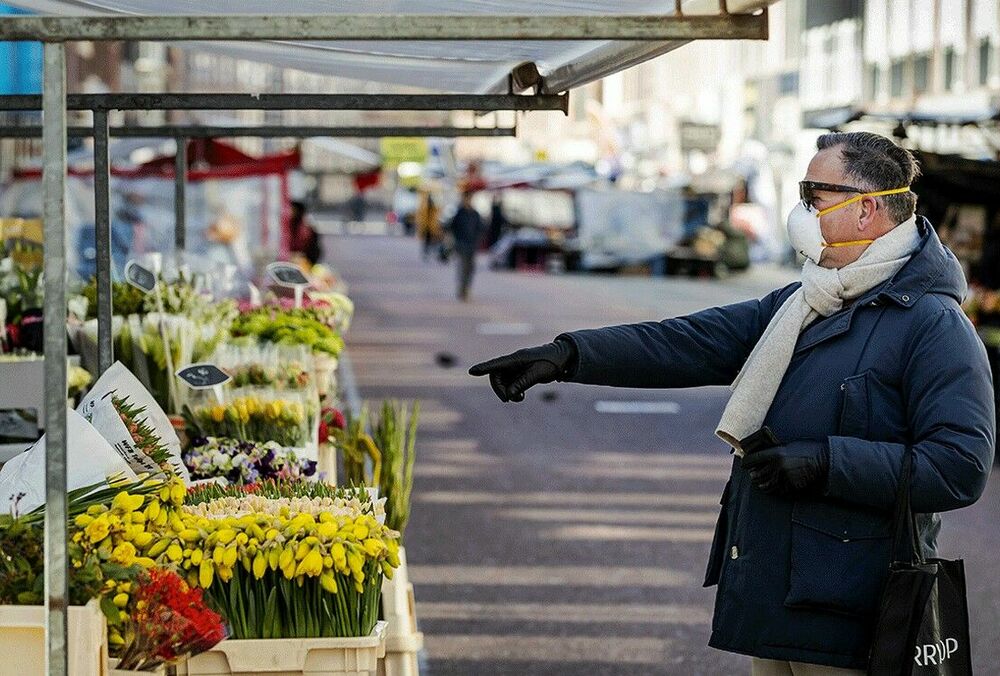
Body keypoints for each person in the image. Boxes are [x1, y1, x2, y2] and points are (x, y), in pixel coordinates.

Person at [469, 132, 995, 674]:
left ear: (865, 211)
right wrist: (568, 355)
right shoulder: (808, 299)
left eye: (813, 196)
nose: (801, 211)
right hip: (774, 599)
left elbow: (960, 467)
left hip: (856, 615)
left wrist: (825, 463)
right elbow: (685, 342)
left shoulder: (934, 324)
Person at [447, 191, 485, 301]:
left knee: (470, 269)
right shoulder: (459, 213)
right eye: (467, 199)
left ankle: (467, 288)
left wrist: (478, 238)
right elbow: (451, 227)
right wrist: (454, 239)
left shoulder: (475, 214)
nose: (468, 201)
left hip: (472, 245)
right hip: (461, 245)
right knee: (463, 267)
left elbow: (481, 227)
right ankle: (462, 290)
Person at [289, 200, 322, 266]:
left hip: (303, 263)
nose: (290, 213)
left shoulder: (306, 230)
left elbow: (313, 251)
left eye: (292, 210)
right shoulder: (286, 227)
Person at [414, 190, 442, 262]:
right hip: (427, 227)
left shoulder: (432, 209)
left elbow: (437, 215)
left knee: (429, 242)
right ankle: (426, 253)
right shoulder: (426, 208)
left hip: (430, 227)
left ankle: (427, 252)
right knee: (427, 242)